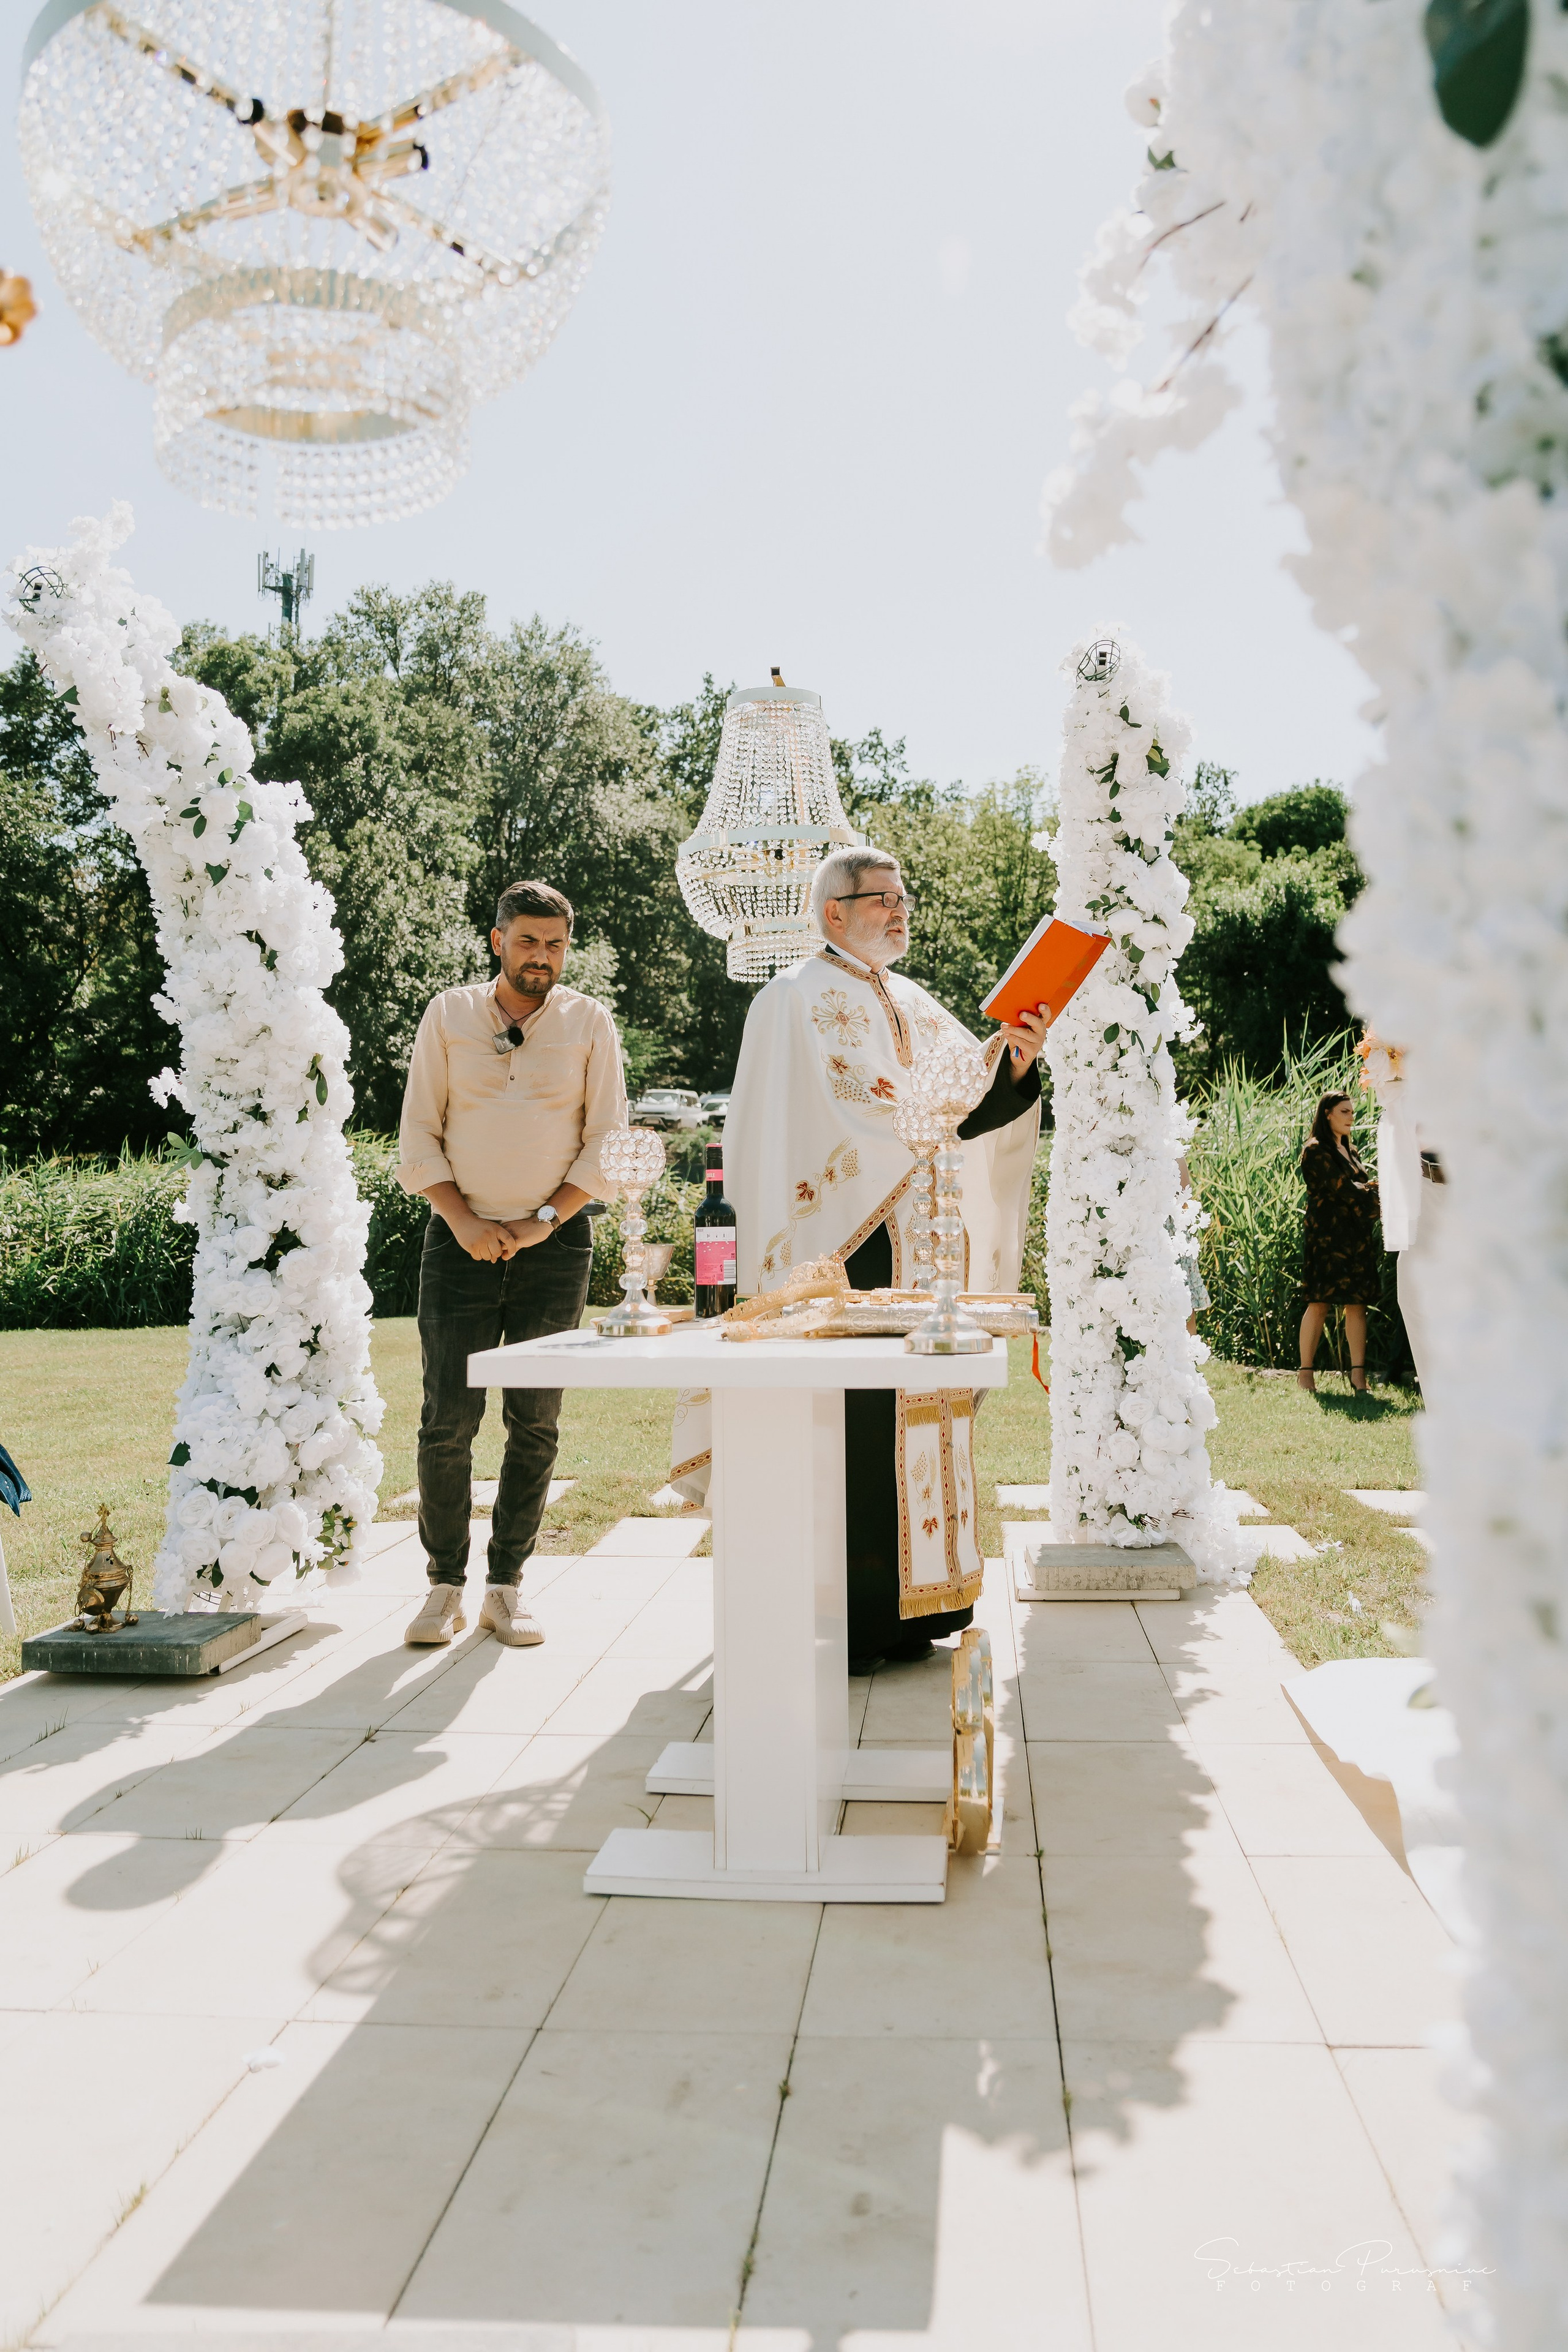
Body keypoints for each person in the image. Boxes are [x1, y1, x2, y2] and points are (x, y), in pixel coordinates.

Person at [673, 848, 1047, 1672]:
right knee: (855, 1432)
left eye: (905, 897)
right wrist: (929, 1125)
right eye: (883, 898)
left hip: (922, 1253)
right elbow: (855, 1121)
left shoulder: (915, 1001)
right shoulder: (791, 999)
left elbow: (964, 1109)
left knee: (924, 1420)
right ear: (832, 912)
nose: (901, 910)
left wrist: (1015, 1061)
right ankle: (850, 1616)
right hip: (841, 1253)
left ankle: (922, 1613)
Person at [396, 880, 625, 1646]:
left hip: (555, 1248)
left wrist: (542, 1222)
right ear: (497, 940)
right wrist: (462, 1220)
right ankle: (442, 1587)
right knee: (447, 1422)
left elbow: (606, 1141)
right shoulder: (448, 1014)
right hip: (455, 1241)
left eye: (555, 945)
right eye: (528, 941)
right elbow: (419, 1134)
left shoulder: (589, 1021)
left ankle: (506, 1586)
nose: (542, 958)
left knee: (535, 1422)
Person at [1297, 1089, 1381, 1395]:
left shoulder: (1352, 1150)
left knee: (1357, 1304)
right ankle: (1306, 1373)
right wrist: (1373, 1191)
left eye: (1352, 1111)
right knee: (1319, 1302)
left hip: (1355, 1238)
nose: (1351, 1116)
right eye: (1344, 1111)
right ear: (1327, 1114)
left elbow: (1357, 1189)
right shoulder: (1315, 1150)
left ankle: (1359, 1377)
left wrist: (1366, 1189)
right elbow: (1342, 1189)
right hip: (1326, 1239)